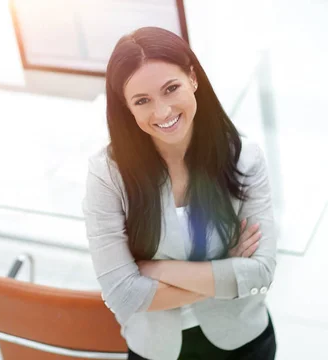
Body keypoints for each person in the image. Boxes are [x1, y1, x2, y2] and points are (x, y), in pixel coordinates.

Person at [82, 27, 277, 360]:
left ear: (193, 78)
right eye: (142, 101)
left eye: (171, 89)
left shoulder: (244, 158)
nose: (162, 112)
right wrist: (227, 274)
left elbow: (260, 273)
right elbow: (121, 294)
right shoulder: (108, 174)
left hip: (243, 340)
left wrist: (154, 270)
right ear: (127, 108)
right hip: (156, 349)